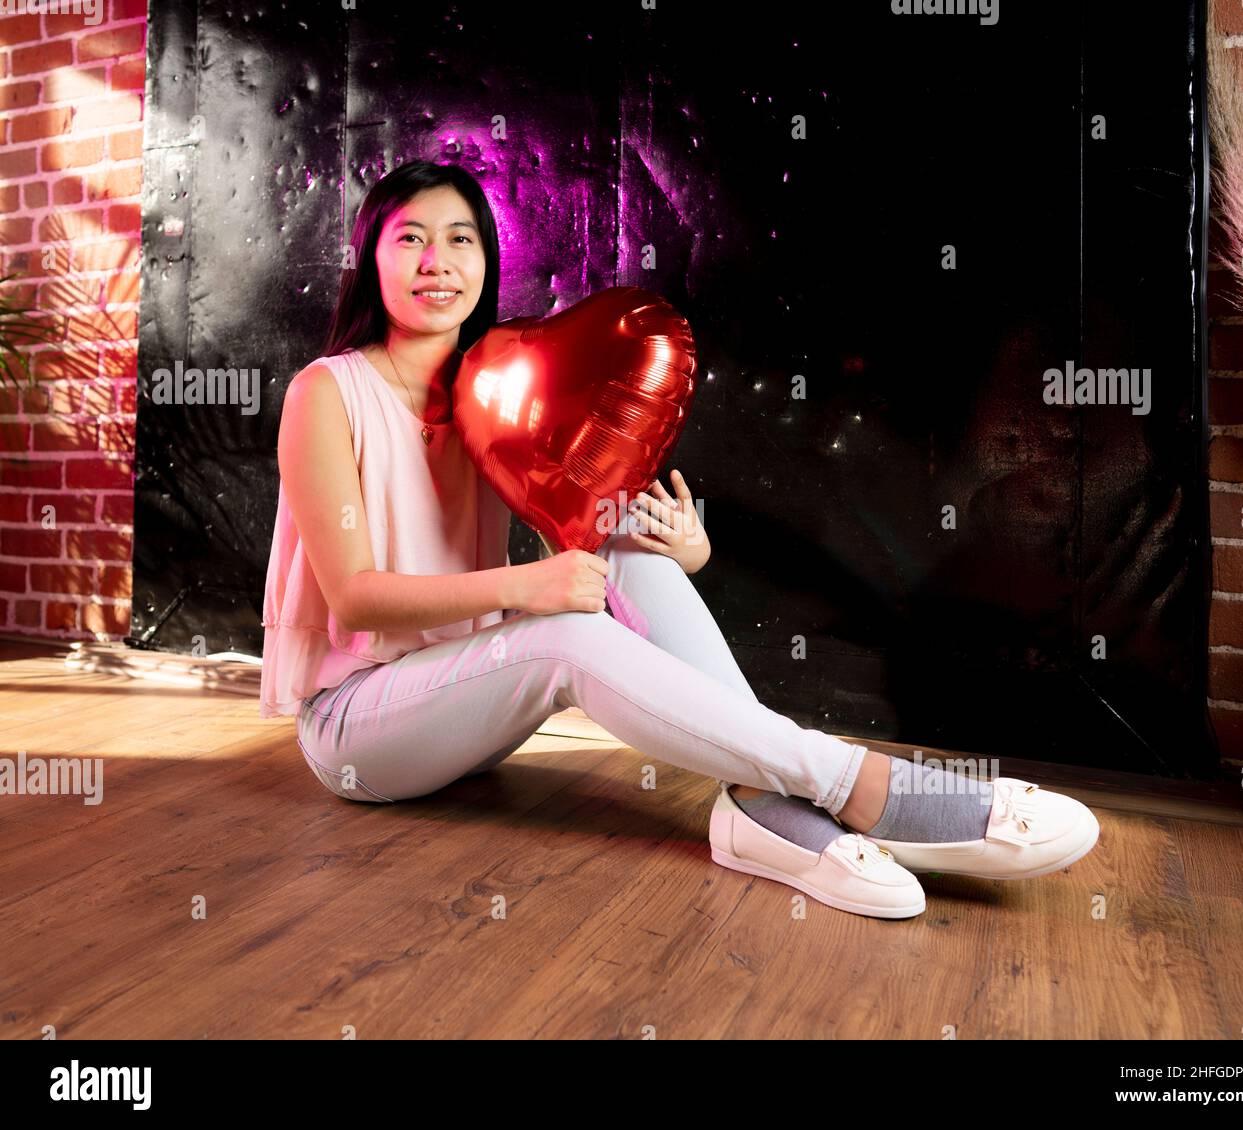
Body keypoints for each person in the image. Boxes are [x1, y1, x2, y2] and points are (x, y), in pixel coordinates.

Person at [260, 161, 1099, 921]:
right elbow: (355, 595)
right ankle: (858, 783)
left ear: (484, 262)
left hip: (467, 707)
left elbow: (588, 525)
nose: (436, 261)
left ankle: (764, 816)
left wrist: (679, 551)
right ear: (373, 256)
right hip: (360, 730)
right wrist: (526, 588)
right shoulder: (327, 393)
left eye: (460, 239)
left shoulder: (492, 384)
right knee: (565, 631)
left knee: (621, 549)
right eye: (410, 239)